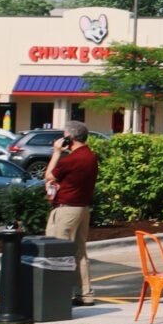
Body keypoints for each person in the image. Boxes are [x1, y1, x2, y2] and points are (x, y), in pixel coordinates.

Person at [43, 121, 99, 306]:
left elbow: (49, 175)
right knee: (79, 252)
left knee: (58, 251)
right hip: (82, 208)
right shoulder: (90, 156)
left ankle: (60, 294)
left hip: (66, 209)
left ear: (70, 138)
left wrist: (57, 152)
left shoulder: (71, 159)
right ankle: (85, 293)